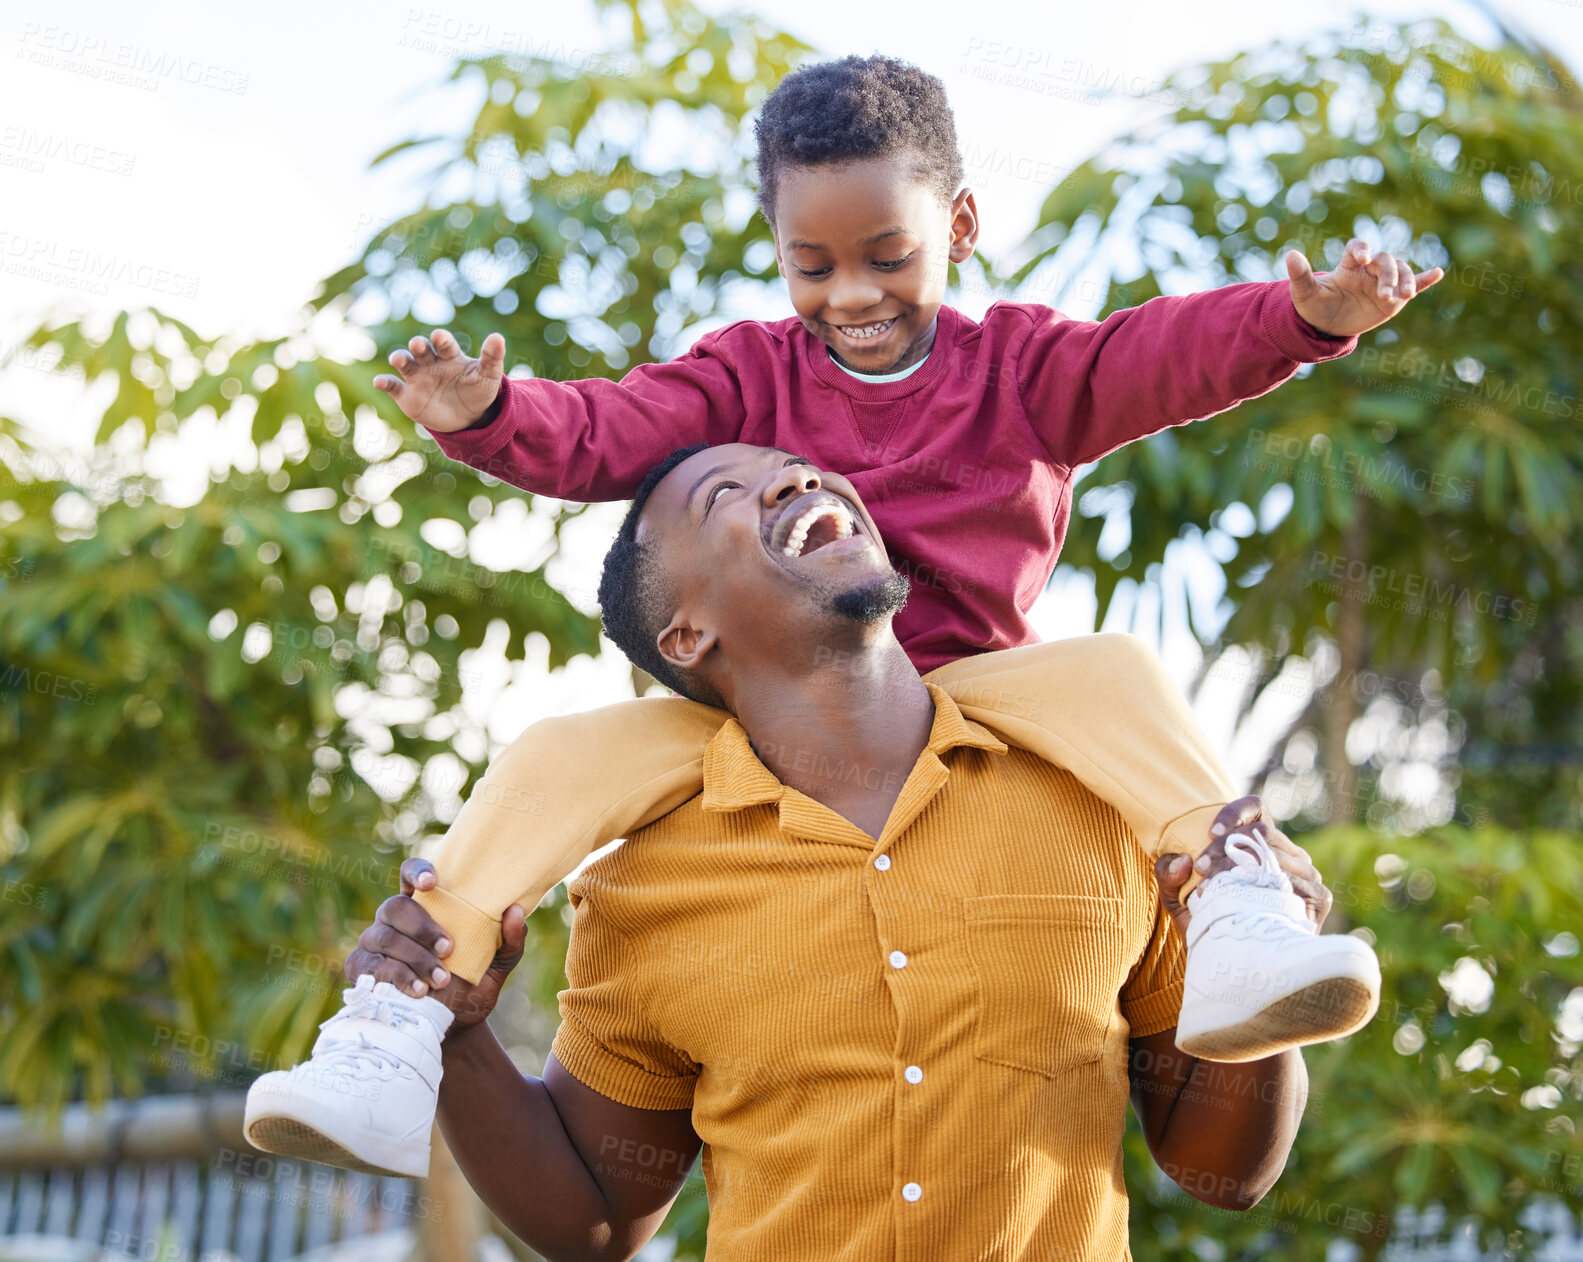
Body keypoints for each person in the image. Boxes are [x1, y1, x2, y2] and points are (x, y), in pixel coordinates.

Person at [244, 53, 1433, 1177]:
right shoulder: (742, 375)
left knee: (1112, 664)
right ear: (776, 249)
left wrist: (1305, 322)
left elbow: (1160, 352)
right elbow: (608, 430)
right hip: (765, 716)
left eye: (884, 254)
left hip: (973, 690)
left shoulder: (1020, 370)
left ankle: (1231, 900)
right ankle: (397, 1023)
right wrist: (487, 414)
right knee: (559, 752)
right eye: (811, 265)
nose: (850, 293)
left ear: (957, 229)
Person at [328, 443, 1340, 1259]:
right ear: (683, 634)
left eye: (797, 464)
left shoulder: (1099, 797)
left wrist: (1264, 976)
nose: (798, 476)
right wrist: (457, 1034)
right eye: (727, 490)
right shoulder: (640, 885)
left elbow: (1222, 1170)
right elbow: (595, 1220)